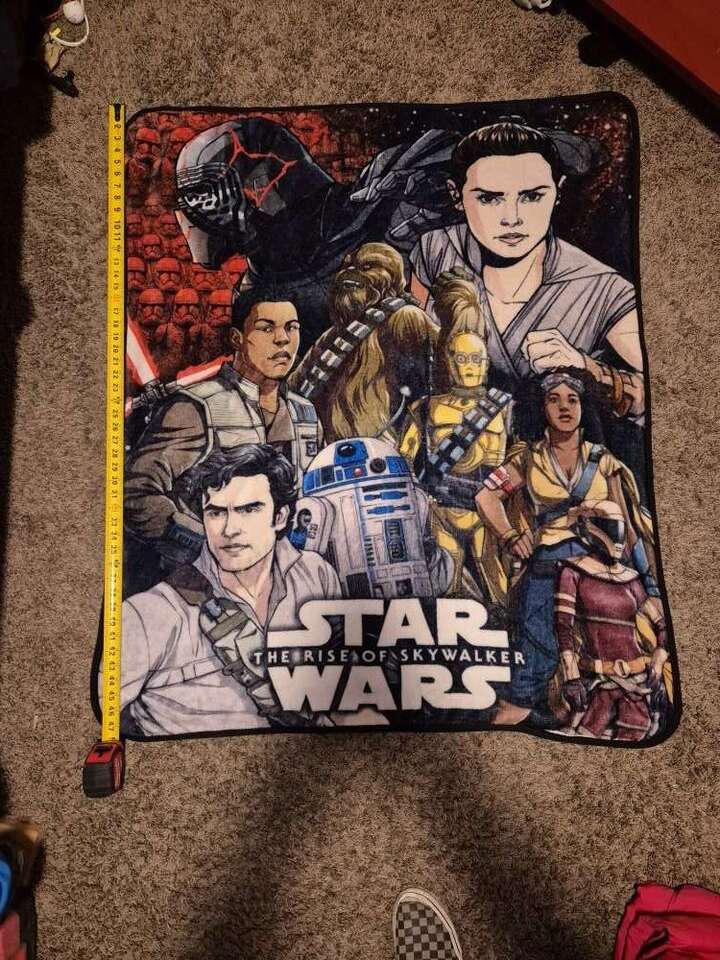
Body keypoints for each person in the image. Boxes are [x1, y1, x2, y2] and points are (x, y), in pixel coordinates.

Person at [409, 118, 646, 427]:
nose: (512, 218)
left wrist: (586, 367)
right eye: (489, 198)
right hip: (447, 437)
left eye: (532, 196)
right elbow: (411, 355)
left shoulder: (601, 287)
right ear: (457, 195)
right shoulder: (436, 249)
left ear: (558, 192)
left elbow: (663, 388)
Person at [475, 369, 659, 727]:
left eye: (572, 400)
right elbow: (486, 497)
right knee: (537, 653)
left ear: (583, 407)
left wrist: (649, 587)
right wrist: (510, 535)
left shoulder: (603, 462)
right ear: (541, 407)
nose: (564, 407)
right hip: (548, 570)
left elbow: (630, 530)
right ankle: (518, 713)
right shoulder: (528, 459)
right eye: (554, 399)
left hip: (602, 573)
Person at [118, 445, 341, 737]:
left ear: (280, 516)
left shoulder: (315, 574)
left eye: (249, 509)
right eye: (216, 512)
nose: (229, 529)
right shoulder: (151, 614)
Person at [124, 280, 323, 571]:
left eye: (291, 328)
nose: (282, 339)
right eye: (266, 328)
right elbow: (135, 494)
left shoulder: (305, 413)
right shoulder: (194, 407)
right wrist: (205, 545)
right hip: (202, 580)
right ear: (236, 338)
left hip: (286, 576)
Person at [399, 270, 510, 600]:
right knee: (445, 584)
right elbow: (404, 460)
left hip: (485, 513)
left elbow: (516, 465)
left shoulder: (503, 408)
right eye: (461, 358)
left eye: (476, 358)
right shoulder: (425, 408)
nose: (470, 365)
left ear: (486, 362)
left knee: (498, 585)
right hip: (441, 510)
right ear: (448, 361)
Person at [555, 500, 669, 741]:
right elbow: (563, 627)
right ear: (590, 526)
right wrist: (571, 676)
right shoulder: (572, 572)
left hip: (638, 685)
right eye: (611, 527)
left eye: (618, 528)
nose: (616, 536)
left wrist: (659, 659)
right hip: (597, 684)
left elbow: (661, 625)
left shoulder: (630, 579)